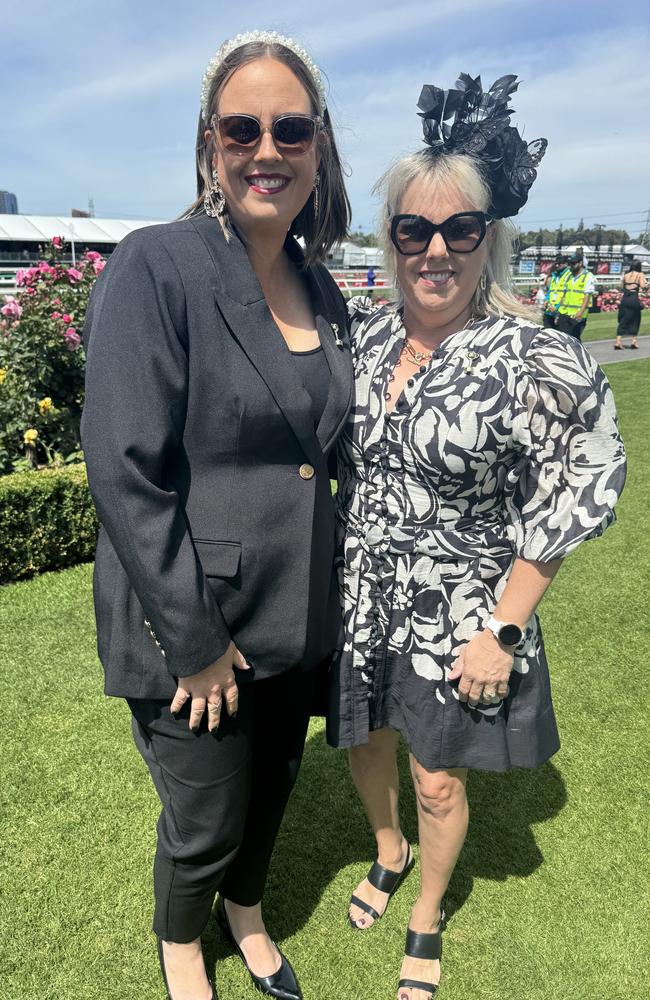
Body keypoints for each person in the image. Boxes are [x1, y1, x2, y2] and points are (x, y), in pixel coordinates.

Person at [328, 72, 627, 1000]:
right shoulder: (367, 339)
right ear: (393, 240)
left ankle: (425, 912)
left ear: (488, 240)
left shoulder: (536, 357)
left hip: (462, 610)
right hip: (362, 590)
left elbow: (581, 485)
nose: (437, 251)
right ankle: (384, 853)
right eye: (415, 230)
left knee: (440, 781)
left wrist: (503, 630)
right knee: (361, 741)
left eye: (462, 230)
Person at [81, 30, 352, 1000]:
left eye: (290, 128)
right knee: (205, 819)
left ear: (318, 146)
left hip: (298, 616)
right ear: (209, 144)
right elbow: (122, 465)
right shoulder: (156, 267)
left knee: (273, 789)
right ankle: (183, 945)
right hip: (194, 627)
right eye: (243, 128)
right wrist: (192, 641)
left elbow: (331, 455)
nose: (266, 149)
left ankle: (248, 912)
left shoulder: (326, 288)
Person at [555, 251, 597, 339]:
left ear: (580, 263)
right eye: (570, 263)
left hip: (577, 315)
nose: (571, 266)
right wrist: (558, 312)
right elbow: (563, 294)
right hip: (564, 313)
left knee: (573, 340)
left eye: (573, 263)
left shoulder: (588, 276)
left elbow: (587, 296)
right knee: (562, 339)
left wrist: (580, 312)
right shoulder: (568, 276)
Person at [615, 259, 646, 350]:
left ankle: (618, 341)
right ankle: (633, 341)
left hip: (625, 298)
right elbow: (643, 286)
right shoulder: (640, 275)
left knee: (623, 320)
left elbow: (621, 286)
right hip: (633, 298)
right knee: (635, 319)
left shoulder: (626, 275)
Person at [543, 254, 569, 327]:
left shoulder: (569, 276)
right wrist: (546, 300)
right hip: (549, 310)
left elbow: (567, 295)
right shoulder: (554, 276)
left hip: (560, 312)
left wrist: (557, 307)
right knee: (547, 334)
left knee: (560, 336)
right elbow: (550, 291)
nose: (557, 265)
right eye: (556, 264)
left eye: (559, 264)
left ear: (565, 264)